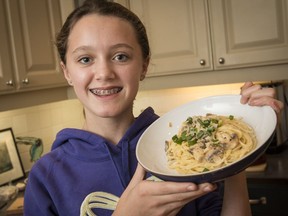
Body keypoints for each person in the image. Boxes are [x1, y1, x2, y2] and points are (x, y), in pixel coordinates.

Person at [23, 0, 284, 215]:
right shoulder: (45, 177)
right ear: (67, 71)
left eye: (120, 56)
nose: (103, 72)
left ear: (144, 65)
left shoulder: (185, 148)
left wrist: (240, 149)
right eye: (85, 59)